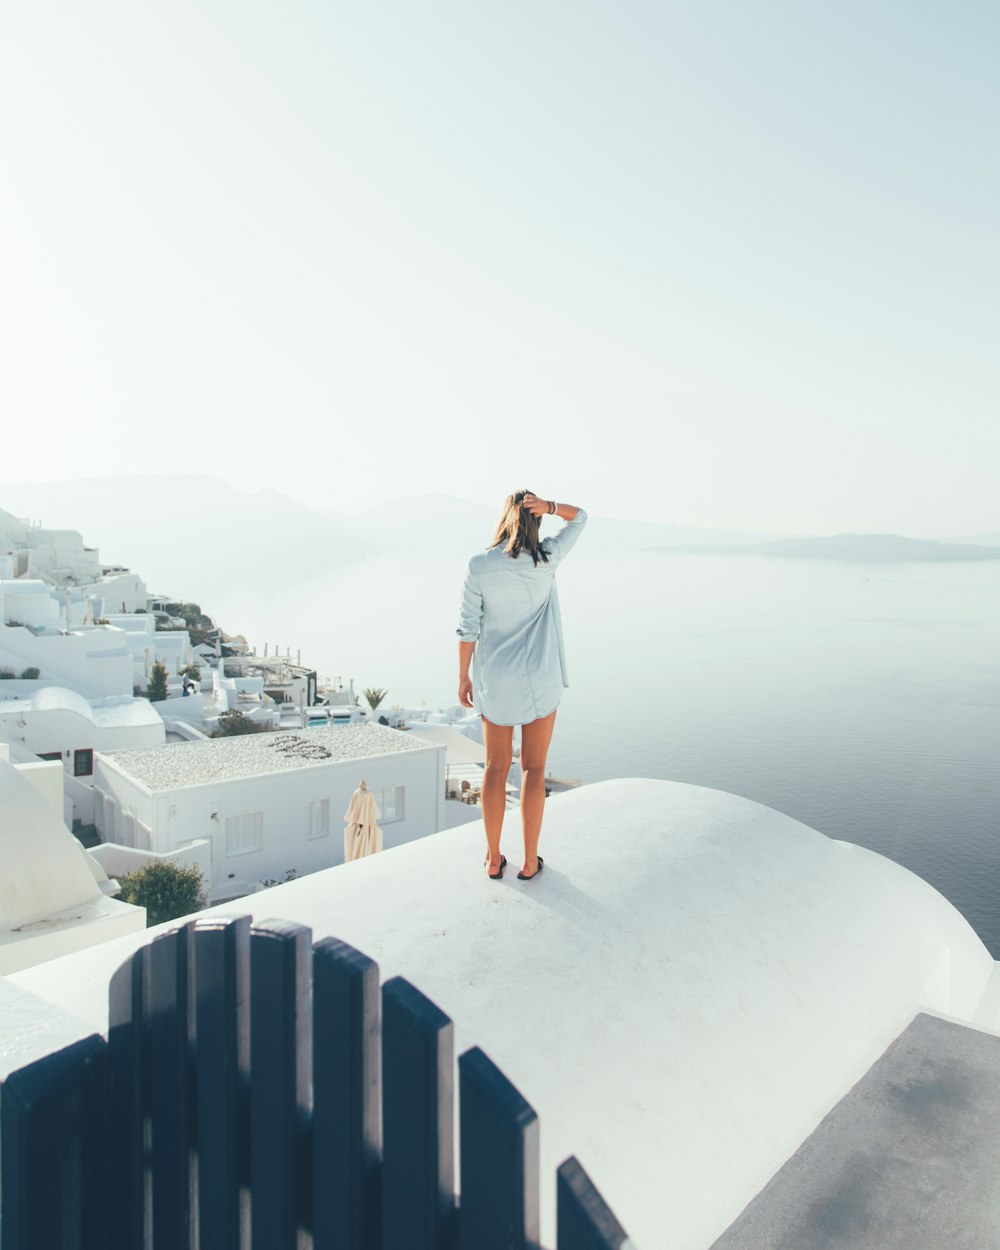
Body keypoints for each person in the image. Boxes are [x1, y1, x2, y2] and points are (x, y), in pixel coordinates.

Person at [456, 491, 587, 881]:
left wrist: (463, 676)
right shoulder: (545, 559)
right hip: (541, 680)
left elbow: (467, 627)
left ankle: (494, 858)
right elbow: (579, 517)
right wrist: (549, 506)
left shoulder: (479, 565)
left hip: (496, 680)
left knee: (496, 768)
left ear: (504, 518)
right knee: (534, 768)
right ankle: (530, 861)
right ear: (535, 520)